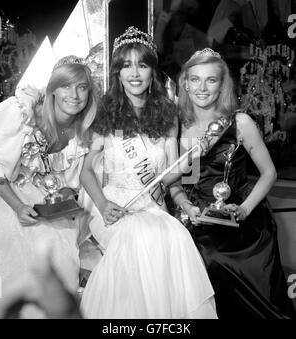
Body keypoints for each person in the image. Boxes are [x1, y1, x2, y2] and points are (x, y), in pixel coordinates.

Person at [79, 26, 217, 319]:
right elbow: (86, 172)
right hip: (113, 207)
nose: (134, 73)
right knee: (139, 236)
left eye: (142, 65)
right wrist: (103, 206)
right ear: (117, 72)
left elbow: (172, 176)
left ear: (152, 70)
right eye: (126, 65)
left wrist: (192, 165)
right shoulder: (106, 111)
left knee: (176, 235)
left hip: (152, 207)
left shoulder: (167, 113)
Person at [176, 47, 296, 319]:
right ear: (185, 83)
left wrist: (243, 208)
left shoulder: (240, 123)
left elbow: (269, 174)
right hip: (199, 218)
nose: (202, 88)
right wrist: (187, 207)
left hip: (245, 224)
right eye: (195, 79)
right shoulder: (178, 127)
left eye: (211, 80)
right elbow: (184, 181)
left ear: (222, 84)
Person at [0, 55, 98, 300]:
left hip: (48, 207)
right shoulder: (23, 111)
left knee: (65, 255)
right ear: (52, 89)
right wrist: (18, 206)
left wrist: (65, 194)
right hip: (8, 197)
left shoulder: (84, 132)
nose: (74, 95)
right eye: (65, 86)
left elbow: (71, 184)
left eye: (81, 87)